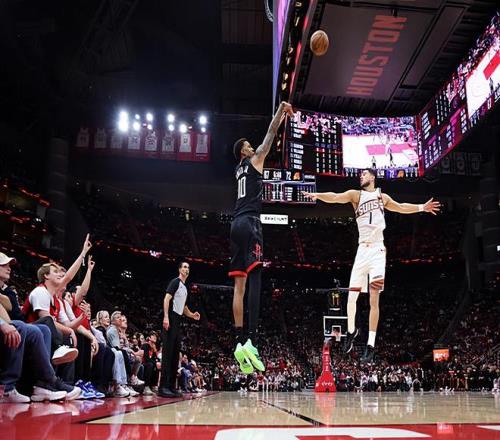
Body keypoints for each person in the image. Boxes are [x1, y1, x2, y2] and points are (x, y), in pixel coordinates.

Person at [303, 169, 441, 363]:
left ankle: (370, 345)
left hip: (377, 251)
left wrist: (421, 207)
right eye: (360, 175)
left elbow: (401, 207)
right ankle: (351, 331)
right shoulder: (355, 195)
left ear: (373, 177)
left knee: (374, 299)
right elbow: (335, 197)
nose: (361, 176)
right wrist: (317, 195)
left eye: (364, 174)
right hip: (362, 251)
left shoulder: (382, 197)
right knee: (351, 297)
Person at [230, 101, 294, 374]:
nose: (252, 146)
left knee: (239, 286)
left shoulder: (237, 171)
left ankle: (238, 341)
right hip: (251, 223)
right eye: (248, 145)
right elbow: (270, 133)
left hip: (235, 224)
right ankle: (252, 341)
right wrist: (281, 111)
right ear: (244, 151)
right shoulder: (255, 159)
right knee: (255, 278)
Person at [159, 262, 200, 398]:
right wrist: (166, 317)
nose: (186, 269)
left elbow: (184, 308)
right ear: (179, 269)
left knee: (175, 354)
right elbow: (166, 299)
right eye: (184, 267)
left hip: (178, 320)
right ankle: (163, 387)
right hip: (171, 317)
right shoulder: (175, 282)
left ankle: (171, 386)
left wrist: (192, 315)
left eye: (188, 267)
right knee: (168, 353)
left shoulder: (185, 288)